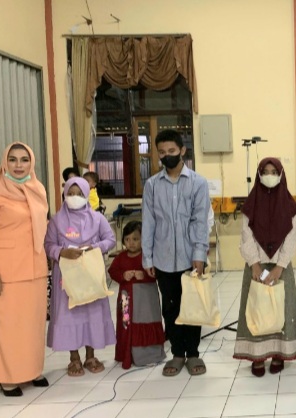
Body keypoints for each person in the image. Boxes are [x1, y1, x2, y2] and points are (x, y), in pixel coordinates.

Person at [0, 142, 49, 396]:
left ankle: (31, 370)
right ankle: (7, 377)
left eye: (24, 160)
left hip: (35, 268)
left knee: (32, 324)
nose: (19, 165)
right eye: (13, 159)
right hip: (6, 272)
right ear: (4, 162)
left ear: (31, 163)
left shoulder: (37, 188)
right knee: (7, 326)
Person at [142, 129, 210, 377]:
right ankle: (177, 354)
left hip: (191, 257)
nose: (167, 155)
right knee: (170, 308)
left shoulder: (198, 183)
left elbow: (200, 221)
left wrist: (199, 254)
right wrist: (147, 257)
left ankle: (193, 353)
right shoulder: (152, 185)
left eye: (171, 151)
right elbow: (149, 222)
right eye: (162, 152)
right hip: (162, 257)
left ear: (182, 150)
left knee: (192, 306)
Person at [233, 157, 296, 376]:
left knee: (281, 309)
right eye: (266, 171)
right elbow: (246, 235)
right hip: (255, 264)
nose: (270, 176)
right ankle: (257, 355)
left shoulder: (289, 205)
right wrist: (255, 265)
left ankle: (278, 353)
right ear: (259, 175)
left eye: (274, 172)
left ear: (281, 175)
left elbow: (292, 237)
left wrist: (279, 267)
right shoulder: (251, 204)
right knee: (257, 308)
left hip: (281, 266)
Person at [45, 177, 116, 377]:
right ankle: (74, 358)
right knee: (70, 315)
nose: (74, 197)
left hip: (90, 275)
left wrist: (94, 247)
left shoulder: (97, 218)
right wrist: (62, 252)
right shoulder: (56, 220)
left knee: (91, 313)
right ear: (64, 195)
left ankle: (91, 356)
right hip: (66, 278)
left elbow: (110, 239)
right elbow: (48, 245)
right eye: (70, 193)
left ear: (86, 195)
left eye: (79, 194)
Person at [109, 221, 166, 369]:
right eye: (127, 239)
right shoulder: (121, 257)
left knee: (146, 322)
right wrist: (123, 275)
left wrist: (145, 275)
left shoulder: (148, 257)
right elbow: (112, 271)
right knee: (126, 324)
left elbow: (157, 273)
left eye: (135, 239)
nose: (131, 243)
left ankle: (148, 354)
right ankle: (126, 353)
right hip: (126, 299)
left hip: (146, 299)